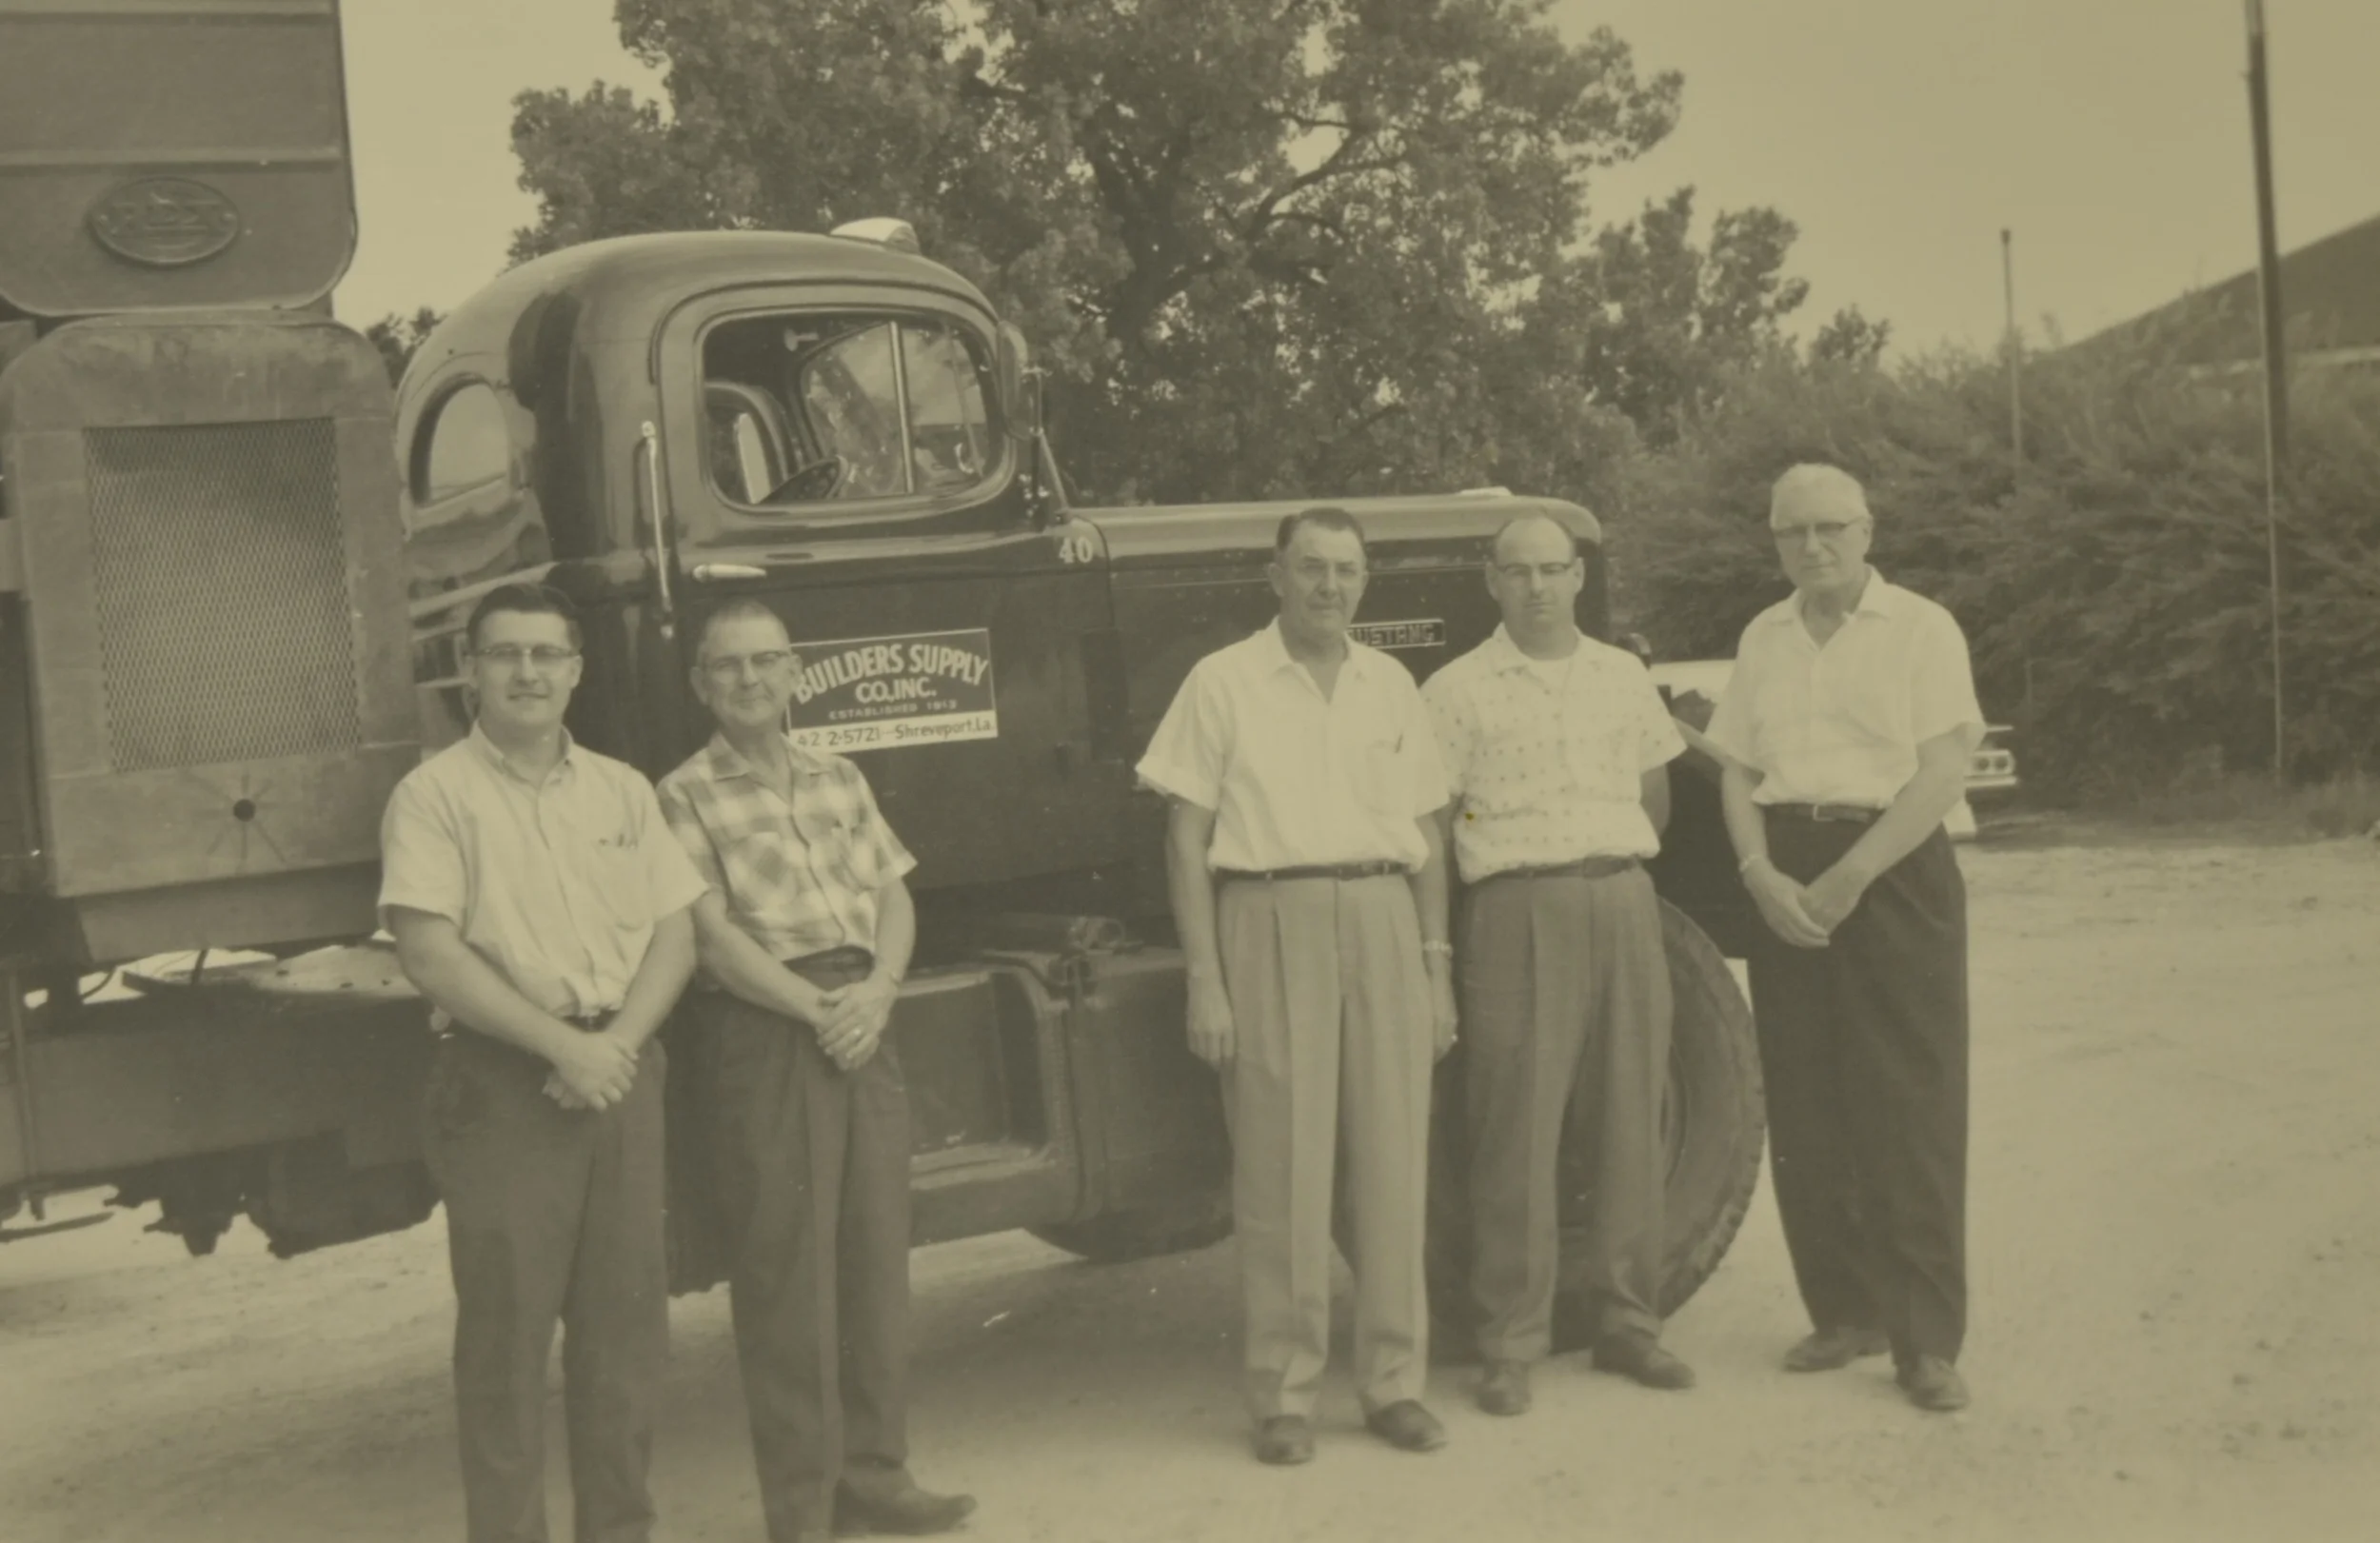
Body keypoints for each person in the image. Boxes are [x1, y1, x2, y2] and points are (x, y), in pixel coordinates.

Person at [381, 584, 706, 1543]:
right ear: (470, 671)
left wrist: (614, 1047)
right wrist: (566, 1045)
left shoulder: (622, 789)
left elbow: (676, 937)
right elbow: (428, 950)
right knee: (507, 1341)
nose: (527, 671)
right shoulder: (434, 794)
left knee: (625, 1334)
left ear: (575, 669)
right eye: (505, 653)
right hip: (502, 1085)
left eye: (544, 654)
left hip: (618, 1072)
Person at [1137, 506, 1458, 1467]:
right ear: (1274, 577)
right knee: (1281, 1169)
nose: (1329, 585)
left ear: (1365, 580)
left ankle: (1394, 1381)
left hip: (1383, 916)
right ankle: (1283, 1393)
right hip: (1266, 919)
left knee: (1395, 1163)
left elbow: (1429, 838)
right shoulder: (1223, 681)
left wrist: (1436, 967)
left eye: (1346, 569)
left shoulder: (1390, 683)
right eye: (1310, 568)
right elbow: (1184, 838)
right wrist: (1206, 978)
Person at [655, 601, 975, 1542]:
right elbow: (709, 940)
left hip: (859, 1018)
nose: (749, 681)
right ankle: (800, 1508)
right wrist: (816, 1010)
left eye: (765, 663)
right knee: (786, 1273)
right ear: (701, 686)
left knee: (876, 1255)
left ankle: (877, 1476)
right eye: (728, 668)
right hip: (766, 1027)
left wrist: (878, 989)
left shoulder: (840, 775)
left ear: (795, 673)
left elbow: (891, 896)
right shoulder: (680, 794)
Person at [1705, 464, 1985, 1414]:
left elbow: (1943, 768)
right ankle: (1845, 1308)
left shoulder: (1920, 628)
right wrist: (1756, 873)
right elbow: (1737, 767)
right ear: (1775, 540)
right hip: (1785, 872)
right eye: (1792, 532)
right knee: (1807, 1101)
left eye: (1830, 527)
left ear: (1866, 532)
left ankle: (1926, 1339)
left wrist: (1854, 875)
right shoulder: (1764, 635)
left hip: (1893, 872)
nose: (1812, 546)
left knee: (1908, 1104)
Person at [1420, 513, 1695, 1418]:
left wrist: (1605, 868)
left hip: (1620, 896)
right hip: (1515, 907)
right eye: (1518, 571)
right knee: (1514, 1132)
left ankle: (1629, 1323)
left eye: (1553, 569)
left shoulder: (1622, 676)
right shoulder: (1456, 689)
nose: (1537, 586)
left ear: (1580, 577)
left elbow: (1653, 793)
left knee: (1629, 1115)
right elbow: (1436, 817)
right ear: (1490, 580)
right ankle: (1509, 1342)